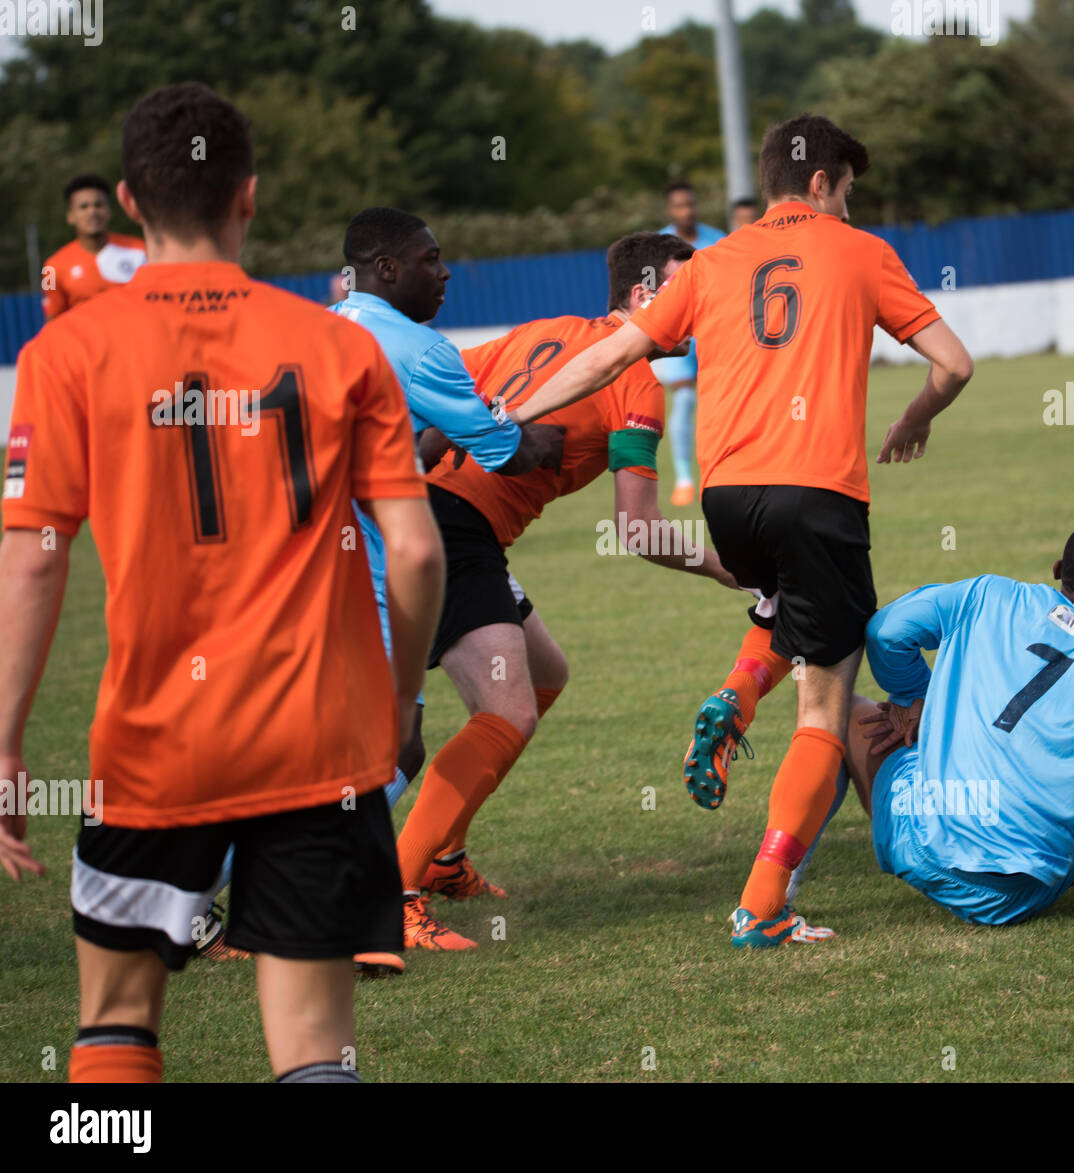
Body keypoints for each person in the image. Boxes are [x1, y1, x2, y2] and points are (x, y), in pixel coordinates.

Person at [0, 83, 444, 1082]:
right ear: (249, 197)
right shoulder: (338, 344)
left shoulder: (65, 353)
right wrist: (404, 699)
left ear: (125, 201)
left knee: (115, 1027)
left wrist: (4, 744)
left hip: (154, 744)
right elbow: (416, 552)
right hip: (319, 739)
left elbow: (31, 555)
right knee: (315, 1054)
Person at [507, 114, 974, 948]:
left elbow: (611, 356)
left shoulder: (711, 263)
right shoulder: (862, 251)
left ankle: (737, 693)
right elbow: (956, 363)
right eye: (849, 189)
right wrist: (916, 415)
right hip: (820, 496)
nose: (848, 203)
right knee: (825, 709)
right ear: (825, 182)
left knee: (786, 613)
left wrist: (508, 413)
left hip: (728, 503)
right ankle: (763, 904)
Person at [196, 207, 565, 973]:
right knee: (390, 748)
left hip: (267, 566)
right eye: (431, 258)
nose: (447, 271)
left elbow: (401, 442)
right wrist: (541, 435)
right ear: (388, 268)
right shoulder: (418, 346)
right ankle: (208, 889)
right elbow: (505, 453)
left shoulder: (306, 331)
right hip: (354, 574)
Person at [394, 231, 742, 950]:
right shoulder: (636, 381)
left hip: (438, 520)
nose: (701, 305)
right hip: (453, 531)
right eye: (688, 288)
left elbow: (429, 403)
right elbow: (638, 529)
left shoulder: (545, 330)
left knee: (546, 673)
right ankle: (393, 893)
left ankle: (443, 856)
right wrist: (723, 567)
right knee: (508, 710)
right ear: (647, 295)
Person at [794, 517, 1074, 929]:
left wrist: (911, 699)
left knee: (839, 707)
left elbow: (886, 632)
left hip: (924, 849)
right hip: (1026, 893)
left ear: (1057, 569)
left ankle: (780, 885)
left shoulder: (988, 595)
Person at [656, 180, 727, 507]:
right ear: (670, 209)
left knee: (723, 403)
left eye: (691, 204)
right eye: (680, 205)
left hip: (715, 331)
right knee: (684, 401)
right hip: (678, 334)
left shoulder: (718, 240)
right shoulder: (659, 245)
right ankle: (684, 477)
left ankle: (721, 470)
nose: (687, 210)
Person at [40, 173, 147, 320]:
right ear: (70, 216)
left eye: (98, 205)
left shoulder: (141, 251)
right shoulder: (50, 268)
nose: (92, 212)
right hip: (84, 341)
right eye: (83, 207)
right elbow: (52, 319)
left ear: (109, 211)